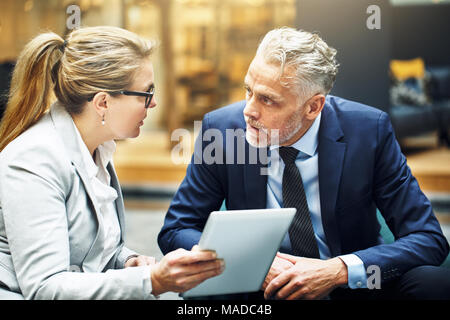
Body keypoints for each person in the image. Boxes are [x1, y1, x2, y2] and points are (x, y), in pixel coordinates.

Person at [158, 27, 450, 300]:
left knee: (433, 283)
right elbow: (176, 229)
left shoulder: (368, 130)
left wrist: (338, 270)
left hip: (347, 287)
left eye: (267, 100)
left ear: (313, 106)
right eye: (248, 90)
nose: (249, 111)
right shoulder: (223, 131)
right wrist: (250, 262)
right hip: (262, 291)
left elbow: (428, 239)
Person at [0, 26, 224, 300]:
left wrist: (128, 260)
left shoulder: (97, 149)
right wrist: (149, 280)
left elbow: (93, 251)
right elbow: (45, 288)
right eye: (146, 93)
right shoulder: (34, 160)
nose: (153, 104)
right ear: (102, 103)